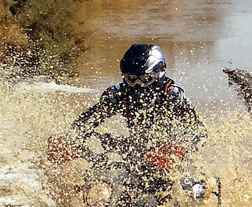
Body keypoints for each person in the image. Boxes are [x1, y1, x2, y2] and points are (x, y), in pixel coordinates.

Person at [49, 43, 204, 172]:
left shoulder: (172, 95)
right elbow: (89, 120)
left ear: (159, 73)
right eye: (132, 79)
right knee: (98, 177)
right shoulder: (117, 95)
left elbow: (198, 131)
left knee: (192, 188)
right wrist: (70, 141)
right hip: (134, 151)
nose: (138, 85)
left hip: (170, 157)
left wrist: (179, 148)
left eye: (145, 79)